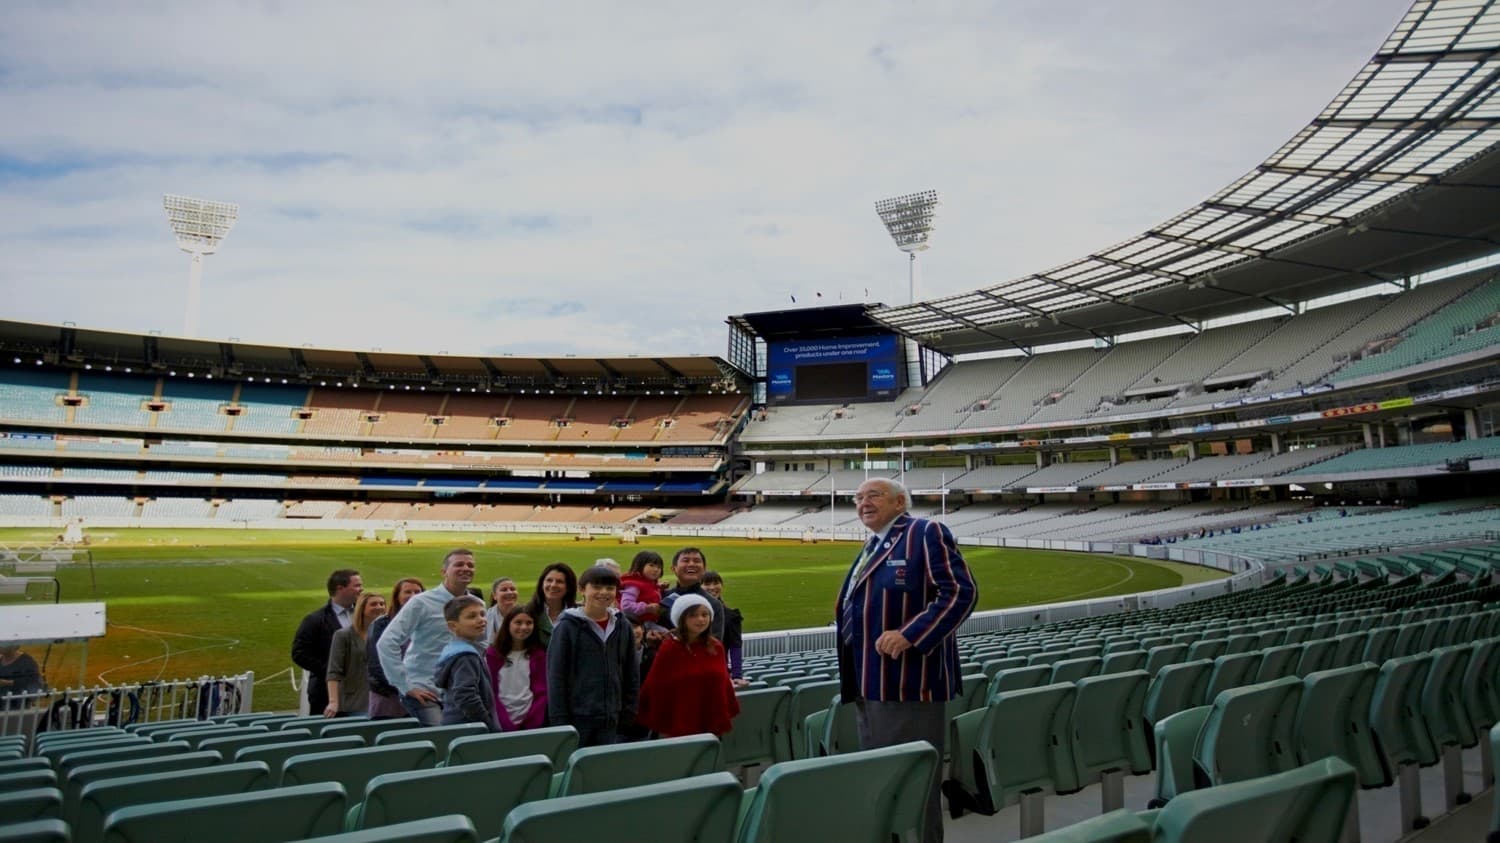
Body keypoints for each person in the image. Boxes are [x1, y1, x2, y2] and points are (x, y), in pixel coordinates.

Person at [837, 478, 977, 843]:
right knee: (882, 779)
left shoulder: (925, 531)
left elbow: (961, 591)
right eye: (858, 496)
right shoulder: (875, 544)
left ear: (900, 502)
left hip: (907, 683)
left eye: (873, 495)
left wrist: (911, 634)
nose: (862, 502)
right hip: (869, 682)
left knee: (910, 782)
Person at [377, 549, 478, 726]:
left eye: (470, 565)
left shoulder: (477, 605)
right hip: (425, 689)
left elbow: (481, 646)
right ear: (444, 571)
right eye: (459, 564)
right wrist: (405, 686)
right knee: (443, 738)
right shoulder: (421, 602)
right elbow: (387, 642)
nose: (466, 568)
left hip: (460, 691)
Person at [547, 565, 638, 747]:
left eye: (610, 588)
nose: (603, 592)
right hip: (578, 718)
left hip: (612, 717)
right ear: (582, 590)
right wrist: (559, 719)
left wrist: (629, 710)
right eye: (596, 587)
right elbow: (556, 675)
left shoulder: (622, 625)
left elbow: (631, 672)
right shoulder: (567, 627)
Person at [637, 594, 740, 738]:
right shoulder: (669, 648)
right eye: (693, 615)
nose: (701, 619)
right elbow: (655, 686)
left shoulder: (716, 646)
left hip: (711, 726)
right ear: (682, 618)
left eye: (705, 614)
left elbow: (723, 684)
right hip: (678, 726)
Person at [291, 568, 362, 715]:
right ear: (340, 588)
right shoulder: (315, 620)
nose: (361, 589)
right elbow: (299, 653)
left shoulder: (364, 615)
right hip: (325, 694)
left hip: (360, 694)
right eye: (356, 585)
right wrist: (331, 671)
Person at [434, 595, 500, 731]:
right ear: (453, 625)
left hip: (456, 724)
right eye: (472, 616)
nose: (481, 620)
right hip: (469, 728)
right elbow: (465, 695)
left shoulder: (452, 648)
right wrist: (487, 723)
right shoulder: (466, 656)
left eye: (482, 614)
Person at [485, 605, 548, 731]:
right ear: (508, 624)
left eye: (529, 623)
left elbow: (542, 692)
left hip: (531, 722)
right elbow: (491, 692)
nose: (524, 627)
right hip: (501, 721)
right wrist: (504, 722)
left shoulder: (539, 655)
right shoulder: (493, 654)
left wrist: (531, 722)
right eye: (518, 622)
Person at [367, 577, 423, 719]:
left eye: (417, 592)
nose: (413, 596)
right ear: (397, 597)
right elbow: (376, 664)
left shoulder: (427, 623)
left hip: (422, 695)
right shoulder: (382, 624)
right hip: (389, 698)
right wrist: (405, 688)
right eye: (407, 592)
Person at [324, 590, 385, 717]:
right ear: (361, 608)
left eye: (382, 603)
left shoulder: (388, 634)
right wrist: (333, 702)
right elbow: (334, 671)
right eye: (373, 604)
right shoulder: (343, 635)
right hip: (355, 702)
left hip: (384, 700)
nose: (379, 607)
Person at [659, 548, 726, 640]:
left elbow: (714, 643)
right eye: (686, 560)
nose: (691, 564)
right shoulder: (662, 597)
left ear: (704, 570)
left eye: (697, 561)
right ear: (674, 568)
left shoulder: (713, 604)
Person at [701, 570, 748, 687]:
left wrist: (737, 676)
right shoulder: (688, 612)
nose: (712, 587)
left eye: (716, 583)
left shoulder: (731, 616)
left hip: (718, 672)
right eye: (707, 584)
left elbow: (735, 646)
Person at [523, 563, 577, 649]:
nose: (553, 585)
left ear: (569, 587)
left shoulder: (579, 614)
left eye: (560, 581)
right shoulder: (527, 612)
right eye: (549, 580)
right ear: (542, 584)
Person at [618, 550, 665, 626]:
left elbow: (646, 592)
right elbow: (626, 606)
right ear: (639, 565)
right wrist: (646, 608)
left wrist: (659, 587)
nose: (656, 569)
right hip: (639, 624)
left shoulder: (648, 582)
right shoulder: (634, 586)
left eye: (659, 567)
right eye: (651, 565)